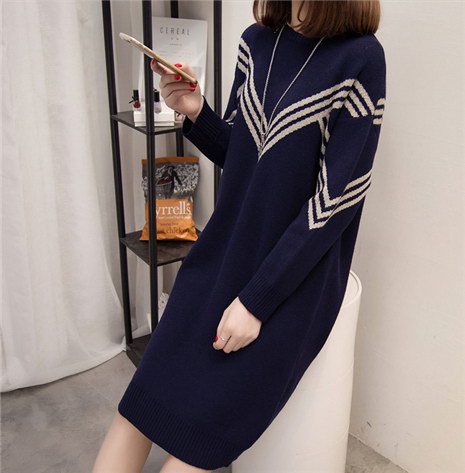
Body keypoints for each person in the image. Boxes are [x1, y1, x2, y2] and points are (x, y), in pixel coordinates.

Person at [92, 1, 386, 472]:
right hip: (224, 249)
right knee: (140, 406)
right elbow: (242, 157)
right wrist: (195, 111)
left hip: (297, 272)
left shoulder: (361, 58)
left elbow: (335, 202)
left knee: (197, 442)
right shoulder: (255, 43)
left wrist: (256, 301)